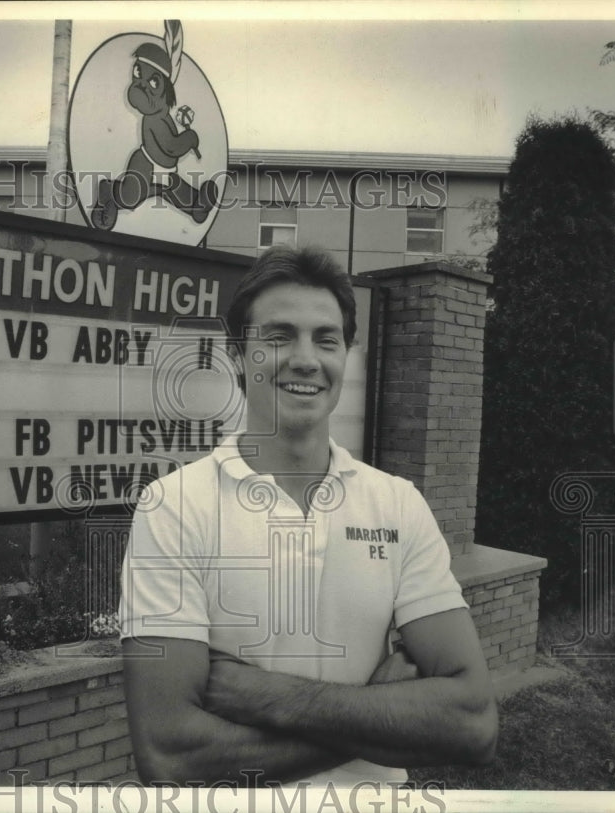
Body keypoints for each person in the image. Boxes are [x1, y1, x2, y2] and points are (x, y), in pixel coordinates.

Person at [118, 245, 497, 787]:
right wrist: (380, 709)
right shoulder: (174, 507)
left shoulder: (397, 504)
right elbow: (171, 755)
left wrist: (267, 697)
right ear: (236, 354)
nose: (305, 359)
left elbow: (473, 724)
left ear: (347, 355)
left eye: (327, 339)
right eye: (278, 336)